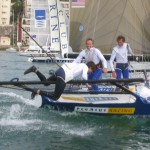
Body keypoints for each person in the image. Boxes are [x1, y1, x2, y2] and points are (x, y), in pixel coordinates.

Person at [24, 61, 96, 100]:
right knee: (55, 97)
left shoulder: (80, 64)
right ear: (90, 67)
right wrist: (87, 85)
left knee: (46, 82)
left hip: (60, 70)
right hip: (63, 76)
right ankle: (37, 91)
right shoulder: (85, 66)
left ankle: (35, 70)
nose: (90, 72)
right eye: (91, 71)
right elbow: (84, 76)